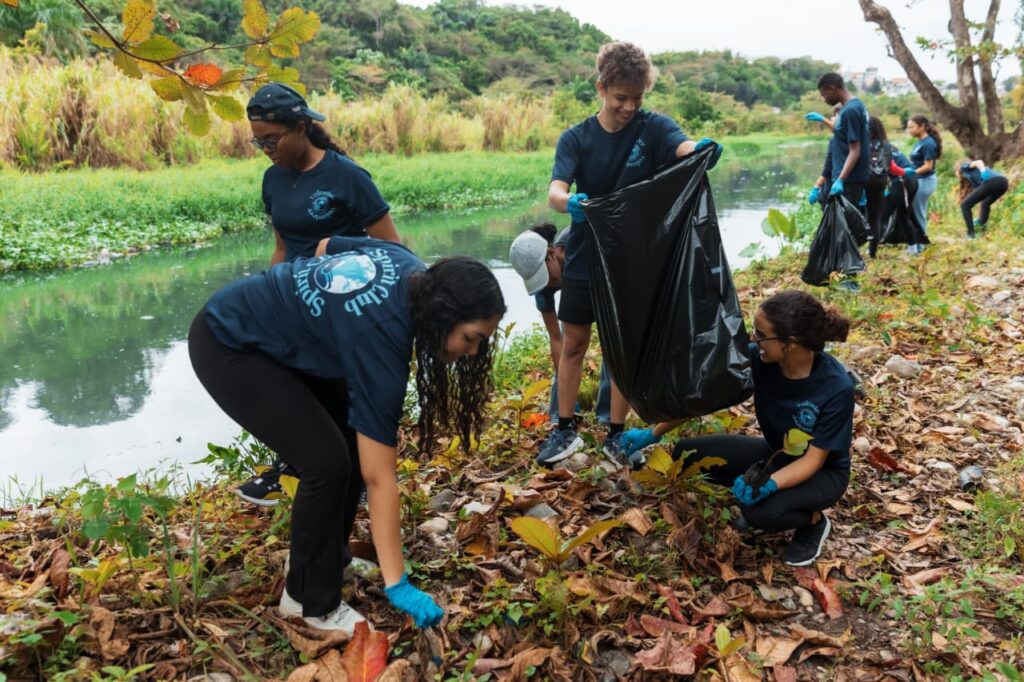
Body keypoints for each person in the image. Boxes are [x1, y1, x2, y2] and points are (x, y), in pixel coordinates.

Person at [189, 237, 505, 632]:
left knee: (348, 445)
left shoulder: (410, 267)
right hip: (228, 342)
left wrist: (314, 315)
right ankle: (308, 602)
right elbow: (379, 477)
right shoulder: (382, 338)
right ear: (442, 315)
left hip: (280, 337)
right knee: (325, 463)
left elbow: (325, 246)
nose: (473, 351)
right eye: (471, 337)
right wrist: (398, 583)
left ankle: (325, 558)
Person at [540, 40, 722, 468]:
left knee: (621, 347)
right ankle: (564, 428)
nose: (629, 107)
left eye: (637, 98)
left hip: (635, 258)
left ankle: (617, 435)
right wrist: (571, 204)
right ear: (602, 88)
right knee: (575, 343)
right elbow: (555, 191)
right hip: (587, 254)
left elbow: (683, 146)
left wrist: (701, 150)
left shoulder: (652, 127)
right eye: (621, 98)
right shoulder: (577, 138)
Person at [237, 83, 402, 507]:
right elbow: (281, 246)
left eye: (271, 140)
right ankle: (295, 465)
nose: (266, 149)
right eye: (258, 141)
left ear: (300, 127)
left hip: (343, 305)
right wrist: (266, 298)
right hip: (293, 303)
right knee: (292, 386)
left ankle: (356, 480)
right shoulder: (273, 180)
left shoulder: (346, 176)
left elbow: (392, 248)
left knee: (339, 392)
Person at [620, 290, 853, 566]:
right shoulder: (758, 359)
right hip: (775, 453)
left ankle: (813, 521)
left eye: (761, 334)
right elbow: (706, 398)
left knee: (757, 513)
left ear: (790, 344)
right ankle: (762, 493)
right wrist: (651, 434)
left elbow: (814, 460)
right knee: (687, 452)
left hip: (823, 474)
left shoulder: (835, 387)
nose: (754, 339)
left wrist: (768, 485)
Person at [509, 224, 611, 426]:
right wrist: (566, 384)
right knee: (568, 349)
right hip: (574, 289)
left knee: (612, 343)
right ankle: (561, 415)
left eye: (547, 276)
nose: (547, 283)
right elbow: (556, 338)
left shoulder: (579, 245)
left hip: (598, 279)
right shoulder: (542, 285)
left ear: (552, 254)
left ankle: (606, 416)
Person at [904, 114, 943, 254]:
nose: (909, 130)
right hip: (918, 180)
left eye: (912, 127)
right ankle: (919, 244)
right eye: (908, 127)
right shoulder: (919, 142)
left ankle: (920, 247)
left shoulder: (928, 143)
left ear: (922, 127)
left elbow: (928, 166)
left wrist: (910, 173)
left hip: (925, 181)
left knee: (917, 213)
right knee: (916, 212)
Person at [955, 160, 1009, 238]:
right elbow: (979, 198)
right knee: (985, 203)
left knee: (964, 205)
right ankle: (981, 226)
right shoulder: (973, 177)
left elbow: (979, 162)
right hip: (1004, 183)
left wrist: (983, 172)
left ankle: (970, 234)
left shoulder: (963, 167)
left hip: (993, 181)